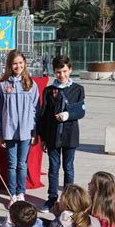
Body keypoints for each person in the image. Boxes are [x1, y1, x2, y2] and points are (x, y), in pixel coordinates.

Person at [38, 55, 86, 213]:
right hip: (53, 135)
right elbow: (43, 116)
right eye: (58, 72)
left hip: (70, 134)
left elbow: (80, 111)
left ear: (70, 69)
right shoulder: (49, 90)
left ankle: (69, 199)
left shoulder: (78, 89)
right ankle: (52, 198)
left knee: (69, 167)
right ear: (54, 72)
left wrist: (67, 115)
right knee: (53, 168)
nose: (62, 75)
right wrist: (43, 138)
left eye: (65, 71)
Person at [0, 50, 40, 207]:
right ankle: (12, 194)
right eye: (14, 63)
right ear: (9, 65)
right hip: (9, 130)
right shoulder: (3, 85)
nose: (18, 66)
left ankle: (21, 193)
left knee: (22, 164)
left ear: (25, 64)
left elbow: (36, 110)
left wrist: (35, 132)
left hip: (26, 131)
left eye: (21, 62)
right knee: (12, 164)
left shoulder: (31, 85)